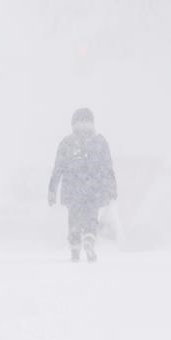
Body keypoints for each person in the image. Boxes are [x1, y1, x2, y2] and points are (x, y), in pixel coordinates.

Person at [48, 108, 117, 262]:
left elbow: (58, 168)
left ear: (73, 123)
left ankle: (74, 243)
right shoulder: (99, 141)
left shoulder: (67, 143)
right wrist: (112, 188)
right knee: (91, 217)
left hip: (72, 189)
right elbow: (107, 166)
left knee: (74, 218)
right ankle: (89, 239)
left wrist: (52, 190)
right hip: (94, 188)